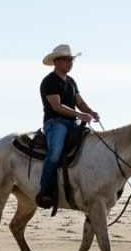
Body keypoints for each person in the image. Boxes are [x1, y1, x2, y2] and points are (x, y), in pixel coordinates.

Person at [37, 44, 100, 208]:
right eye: (66, 60)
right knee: (55, 153)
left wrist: (91, 112)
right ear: (56, 62)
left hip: (73, 122)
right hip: (55, 122)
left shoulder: (71, 81)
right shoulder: (49, 81)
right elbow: (57, 106)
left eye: (71, 60)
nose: (70, 63)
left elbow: (80, 102)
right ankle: (44, 190)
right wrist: (79, 115)